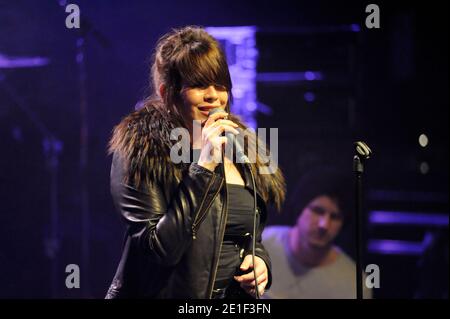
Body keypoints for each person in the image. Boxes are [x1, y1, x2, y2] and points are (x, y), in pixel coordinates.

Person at [105, 26, 286, 299]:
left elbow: (245, 233)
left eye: (220, 84)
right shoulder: (143, 150)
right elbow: (159, 250)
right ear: (168, 92)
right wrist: (203, 167)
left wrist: (260, 262)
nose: (214, 95)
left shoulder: (240, 146)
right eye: (200, 85)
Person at [262, 167, 372, 299]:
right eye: (317, 211)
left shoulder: (355, 284)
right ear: (300, 208)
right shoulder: (261, 245)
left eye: (335, 217)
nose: (324, 225)